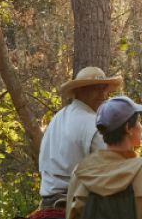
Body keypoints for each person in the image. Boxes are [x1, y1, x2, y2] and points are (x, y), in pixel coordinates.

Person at [37, 66, 121, 209]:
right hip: (77, 204)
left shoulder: (58, 117)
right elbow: (113, 169)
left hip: (47, 201)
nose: (103, 94)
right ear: (80, 91)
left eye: (104, 88)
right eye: (96, 89)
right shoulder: (93, 124)